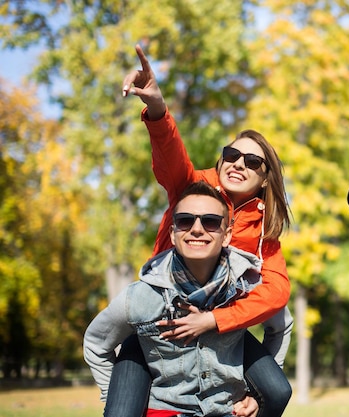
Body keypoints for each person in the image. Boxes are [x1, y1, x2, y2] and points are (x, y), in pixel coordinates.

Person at [104, 44, 293, 417]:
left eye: (252, 161)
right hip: (164, 322)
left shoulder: (263, 233)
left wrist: (216, 320)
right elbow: (172, 157)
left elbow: (276, 292)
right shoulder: (192, 190)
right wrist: (157, 108)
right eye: (232, 153)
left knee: (276, 391)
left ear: (264, 176)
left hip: (224, 333)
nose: (238, 163)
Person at [85, 181, 263, 417]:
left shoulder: (247, 286)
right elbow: (96, 344)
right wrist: (114, 397)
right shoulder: (141, 297)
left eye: (210, 221)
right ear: (173, 233)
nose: (197, 229)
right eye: (185, 221)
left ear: (227, 235)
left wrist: (256, 394)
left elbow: (281, 326)